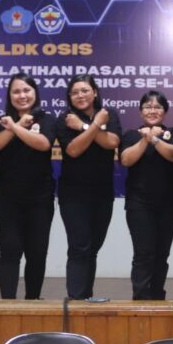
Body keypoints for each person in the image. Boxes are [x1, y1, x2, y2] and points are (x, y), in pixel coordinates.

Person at [0, 73, 56, 300]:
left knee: (37, 252)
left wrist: (15, 128)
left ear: (35, 93)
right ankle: (8, 304)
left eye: (26, 90)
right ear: (9, 96)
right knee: (10, 250)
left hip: (40, 198)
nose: (22, 95)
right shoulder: (1, 121)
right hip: (8, 198)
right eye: (16, 91)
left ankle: (33, 301)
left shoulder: (47, 119)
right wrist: (14, 126)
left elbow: (43, 144)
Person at [55, 74, 121, 300]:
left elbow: (111, 142)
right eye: (75, 92)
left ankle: (85, 298)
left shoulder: (108, 114)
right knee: (79, 247)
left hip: (102, 194)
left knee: (92, 248)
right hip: (73, 195)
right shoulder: (65, 119)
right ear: (69, 97)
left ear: (95, 92)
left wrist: (84, 126)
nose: (80, 95)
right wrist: (94, 126)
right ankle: (75, 300)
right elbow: (74, 150)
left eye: (84, 90)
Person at [119, 91, 173, 300]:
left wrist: (154, 139)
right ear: (140, 112)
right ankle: (140, 298)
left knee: (161, 254)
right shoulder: (131, 135)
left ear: (165, 112)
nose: (152, 110)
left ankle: (157, 297)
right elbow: (126, 160)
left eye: (157, 107)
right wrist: (145, 139)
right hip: (139, 204)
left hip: (169, 204)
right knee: (143, 253)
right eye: (147, 107)